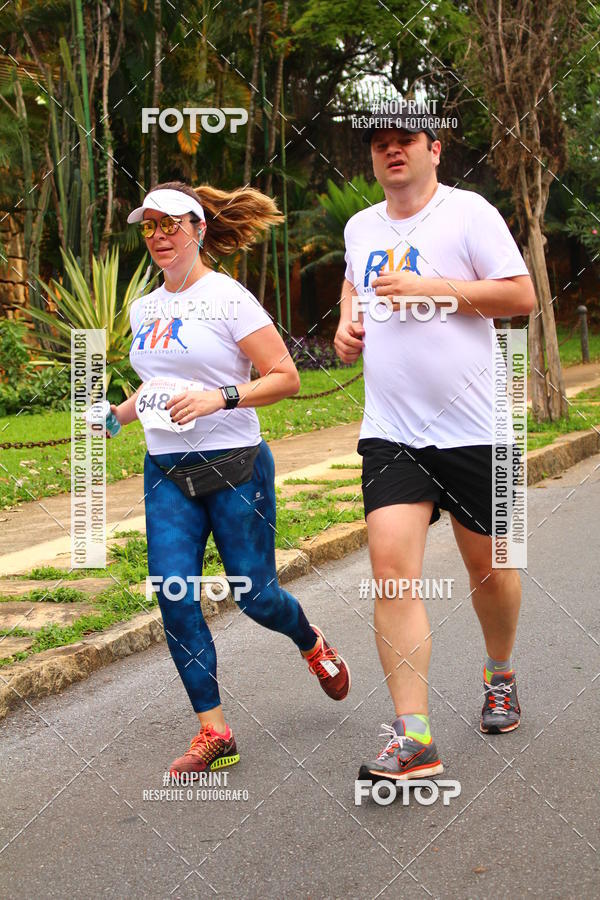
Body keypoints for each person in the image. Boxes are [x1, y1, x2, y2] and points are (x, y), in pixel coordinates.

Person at [110, 181, 350, 776]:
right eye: (149, 227)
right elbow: (156, 381)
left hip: (235, 466)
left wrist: (220, 398)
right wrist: (115, 417)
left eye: (171, 225)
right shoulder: (145, 307)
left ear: (197, 229)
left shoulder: (229, 298)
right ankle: (214, 731)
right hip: (166, 470)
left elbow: (285, 377)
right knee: (173, 594)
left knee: (256, 596)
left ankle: (310, 640)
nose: (159, 237)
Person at [334, 116, 535, 781]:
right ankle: (414, 736)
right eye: (380, 142)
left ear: (434, 149)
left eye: (406, 139)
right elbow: (354, 282)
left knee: (492, 573)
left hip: (480, 429)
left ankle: (499, 672)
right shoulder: (360, 227)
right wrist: (345, 324)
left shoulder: (468, 213)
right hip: (392, 430)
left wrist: (432, 288)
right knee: (392, 569)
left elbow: (520, 296)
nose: (392, 148)